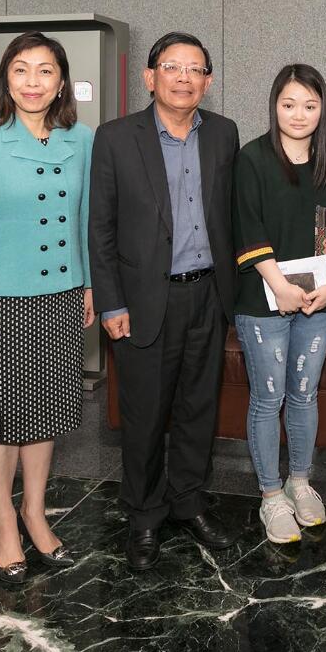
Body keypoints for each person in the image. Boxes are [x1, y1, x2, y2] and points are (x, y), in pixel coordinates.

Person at [89, 32, 241, 570]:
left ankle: (189, 503)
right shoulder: (115, 137)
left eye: (195, 69)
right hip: (143, 300)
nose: (183, 78)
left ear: (208, 81)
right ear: (149, 77)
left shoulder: (223, 133)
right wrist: (111, 303)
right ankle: (145, 516)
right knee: (145, 416)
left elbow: (231, 214)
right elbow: (100, 227)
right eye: (172, 67)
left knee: (199, 410)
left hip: (208, 295)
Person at [0, 32, 95, 584]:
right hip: (1, 301)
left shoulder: (82, 138)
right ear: (6, 79)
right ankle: (3, 518)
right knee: (1, 414)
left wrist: (88, 284)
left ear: (61, 82)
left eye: (45, 71)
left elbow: (87, 219)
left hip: (62, 296)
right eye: (21, 70)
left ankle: (35, 512)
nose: (33, 82)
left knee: (47, 410)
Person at [233, 64, 326, 543]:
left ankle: (299, 482)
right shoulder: (253, 158)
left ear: (322, 109)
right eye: (289, 104)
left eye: (309, 105)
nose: (299, 114)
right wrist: (279, 284)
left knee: (304, 393)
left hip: (317, 301)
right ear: (274, 106)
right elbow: (247, 226)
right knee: (269, 398)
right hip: (262, 300)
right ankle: (270, 495)